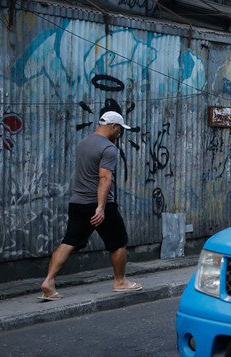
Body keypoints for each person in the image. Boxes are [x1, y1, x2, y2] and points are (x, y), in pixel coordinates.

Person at [39, 111, 140, 301]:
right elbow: (104, 178)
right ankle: (120, 281)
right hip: (100, 204)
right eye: (119, 129)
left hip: (78, 202)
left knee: (68, 242)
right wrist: (101, 207)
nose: (120, 133)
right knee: (118, 243)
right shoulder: (108, 149)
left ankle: (49, 281)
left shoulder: (84, 143)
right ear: (113, 127)